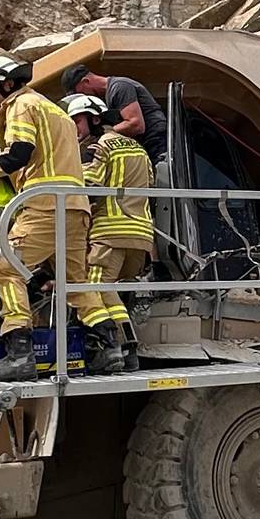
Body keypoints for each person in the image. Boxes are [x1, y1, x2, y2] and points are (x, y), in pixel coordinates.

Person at [0, 56, 107, 380]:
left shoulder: (20, 105)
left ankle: (19, 354)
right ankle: (112, 348)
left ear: (6, 83)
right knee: (76, 282)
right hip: (75, 205)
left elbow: (18, 154)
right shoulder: (54, 109)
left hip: (44, 204)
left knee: (8, 268)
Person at [70, 93, 149, 376]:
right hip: (140, 235)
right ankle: (128, 354)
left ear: (94, 118)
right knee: (112, 288)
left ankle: (117, 346)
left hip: (110, 232)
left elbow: (90, 186)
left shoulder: (101, 146)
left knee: (95, 287)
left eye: (77, 120)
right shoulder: (138, 149)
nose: (75, 128)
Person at [64, 63, 168, 165]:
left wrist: (101, 134)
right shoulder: (106, 97)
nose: (83, 97)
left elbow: (135, 124)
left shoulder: (119, 87)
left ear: (85, 81)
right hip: (145, 146)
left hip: (157, 143)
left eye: (80, 93)